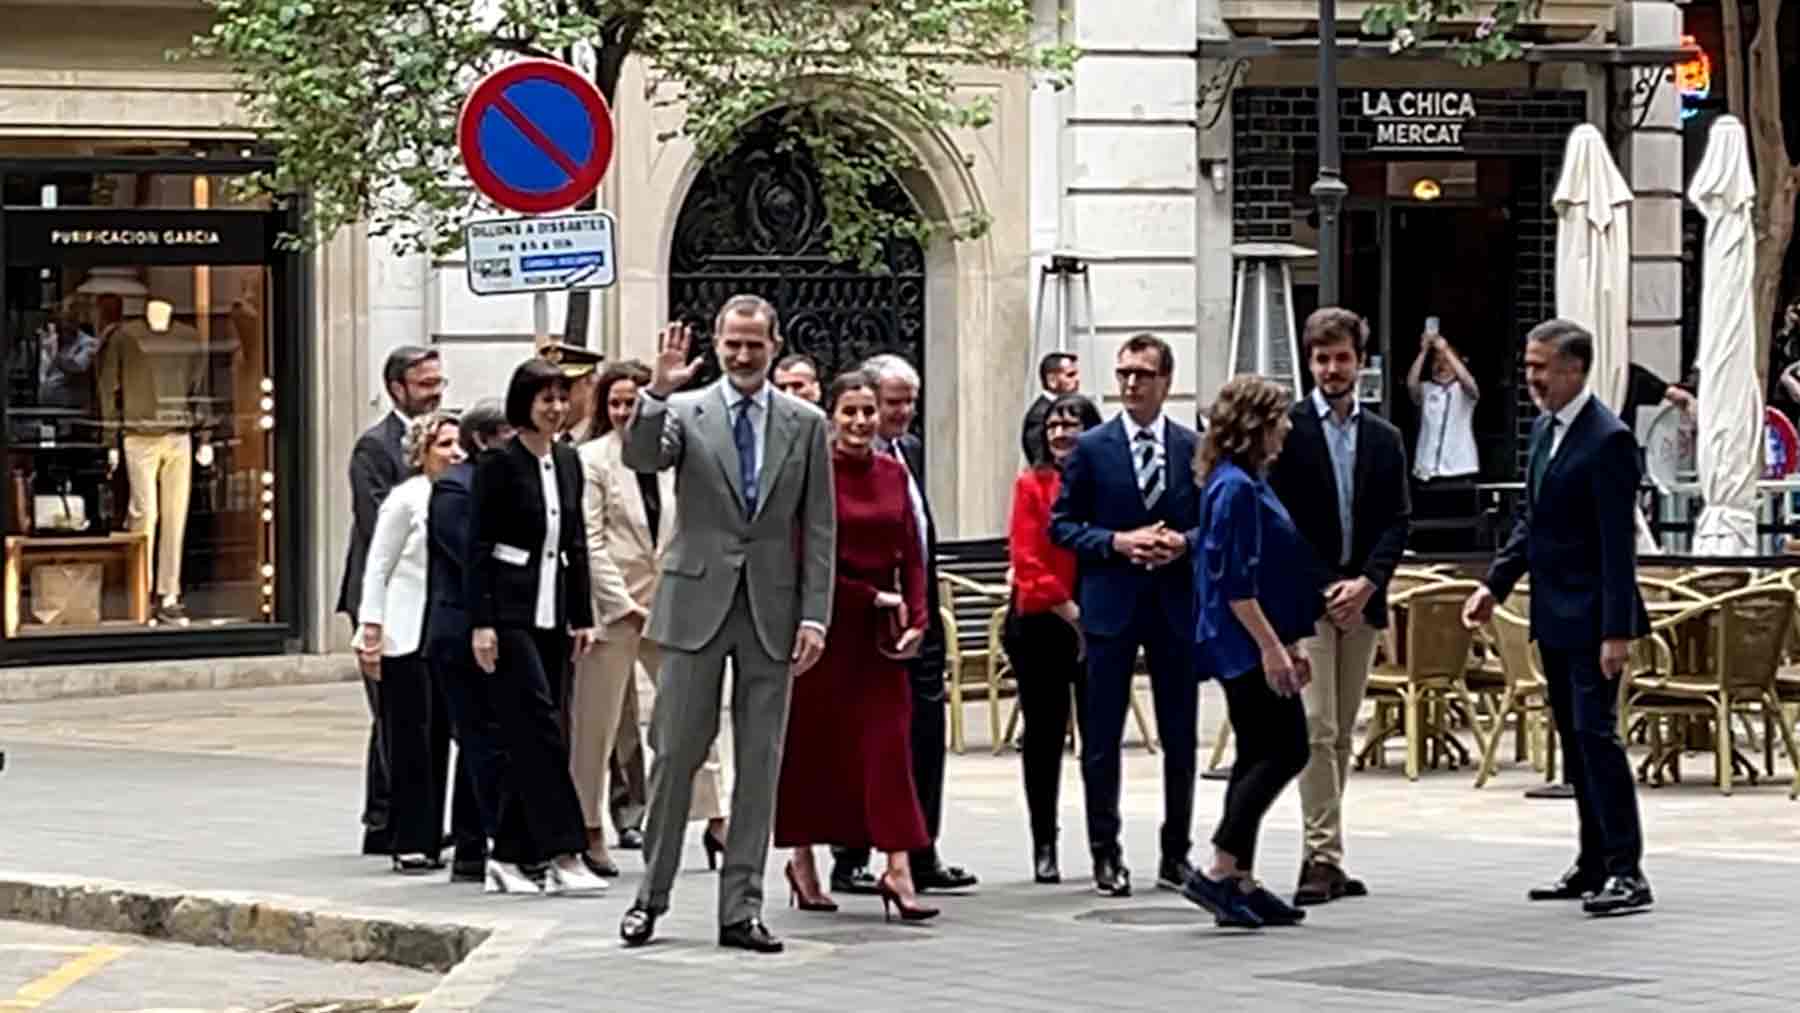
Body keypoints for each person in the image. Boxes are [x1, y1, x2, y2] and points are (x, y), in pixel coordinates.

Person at [618, 296, 835, 954]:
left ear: (774, 345)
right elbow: (643, 457)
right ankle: (648, 897)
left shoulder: (806, 421)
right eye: (732, 343)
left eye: (755, 345)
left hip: (771, 611)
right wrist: (656, 387)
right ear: (716, 342)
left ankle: (741, 908)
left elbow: (820, 527)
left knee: (760, 765)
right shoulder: (686, 411)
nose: (743, 356)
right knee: (676, 756)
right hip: (695, 605)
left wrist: (815, 615)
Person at [1462, 318, 1652, 918]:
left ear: (1575, 369)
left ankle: (1628, 869)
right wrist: (1494, 584)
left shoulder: (1608, 439)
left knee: (1598, 739)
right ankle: (1592, 859)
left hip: (1596, 619)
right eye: (1528, 366)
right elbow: (1531, 521)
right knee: (1573, 742)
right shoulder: (1546, 431)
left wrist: (1616, 630)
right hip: (1553, 613)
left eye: (1541, 367)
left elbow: (1616, 543)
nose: (1531, 378)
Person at [778, 370, 938, 923]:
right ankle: (802, 861)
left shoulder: (895, 473)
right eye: (849, 411)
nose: (860, 422)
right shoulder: (812, 473)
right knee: (813, 749)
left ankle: (899, 867)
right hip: (825, 628)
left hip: (880, 638)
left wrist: (917, 616)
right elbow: (802, 558)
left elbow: (912, 552)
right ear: (831, 416)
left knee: (891, 748)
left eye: (868, 411)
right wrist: (869, 597)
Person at [1050, 333, 1202, 898]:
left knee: (1181, 734)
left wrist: (1183, 543)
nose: (1132, 385)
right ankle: (1105, 850)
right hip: (1111, 604)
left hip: (1173, 605)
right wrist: (1117, 541)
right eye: (1123, 375)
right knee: (1102, 736)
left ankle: (1176, 851)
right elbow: (1061, 525)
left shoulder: (1193, 447)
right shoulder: (1092, 447)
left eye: (1143, 374)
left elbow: (1215, 523)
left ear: (1167, 381)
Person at [1267, 308, 1411, 906]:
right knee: (1316, 725)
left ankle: (1326, 852)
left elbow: (1396, 518)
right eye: (1322, 359)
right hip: (1311, 603)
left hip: (1365, 603)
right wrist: (1331, 584)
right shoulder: (1290, 432)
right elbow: (1282, 522)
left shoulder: (1385, 437)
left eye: (1342, 358)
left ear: (1360, 362)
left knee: (1342, 731)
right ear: (1310, 362)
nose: (1332, 369)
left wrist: (1368, 584)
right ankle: (1320, 856)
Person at [568, 360, 728, 878]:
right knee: (597, 723)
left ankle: (717, 819)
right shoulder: (590, 459)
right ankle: (590, 827)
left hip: (674, 602)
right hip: (613, 608)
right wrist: (622, 604)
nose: (623, 413)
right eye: (614, 403)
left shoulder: (674, 452)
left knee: (691, 710)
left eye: (632, 402)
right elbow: (588, 540)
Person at [831, 354, 978, 896]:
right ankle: (850, 855)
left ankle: (921, 848)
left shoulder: (908, 452)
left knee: (924, 731)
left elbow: (917, 536)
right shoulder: (843, 462)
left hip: (916, 612)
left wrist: (920, 610)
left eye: (908, 402)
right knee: (865, 737)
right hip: (863, 614)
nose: (901, 413)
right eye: (891, 403)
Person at [1182, 375, 1320, 929]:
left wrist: (1288, 639)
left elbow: (1271, 573)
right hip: (1242, 642)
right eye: (1279, 418)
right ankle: (1220, 866)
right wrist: (1272, 649)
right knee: (1285, 748)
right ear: (1256, 425)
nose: (1287, 427)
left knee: (1261, 749)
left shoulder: (1246, 481)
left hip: (1256, 635)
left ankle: (1237, 875)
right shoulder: (1235, 487)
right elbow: (1236, 581)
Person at [467, 358, 606, 896]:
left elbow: (575, 541)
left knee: (538, 736)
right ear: (522, 403)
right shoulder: (499, 464)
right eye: (544, 398)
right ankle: (563, 849)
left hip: (554, 613)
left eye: (560, 398)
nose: (554, 408)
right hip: (508, 614)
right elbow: (478, 547)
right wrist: (482, 623)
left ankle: (508, 854)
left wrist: (583, 615)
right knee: (540, 732)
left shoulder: (568, 462)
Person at [339, 345, 446, 855]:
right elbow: (376, 523)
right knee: (391, 711)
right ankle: (383, 821)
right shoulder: (373, 447)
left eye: (438, 382)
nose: (436, 392)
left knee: (420, 712)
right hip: (382, 596)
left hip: (429, 595)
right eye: (426, 384)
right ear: (397, 389)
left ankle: (408, 816)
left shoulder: (449, 439)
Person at [355, 412, 464, 874]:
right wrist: (371, 625)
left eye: (458, 444)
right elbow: (378, 565)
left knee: (440, 736)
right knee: (409, 740)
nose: (455, 453)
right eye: (444, 445)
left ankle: (433, 831)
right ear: (422, 453)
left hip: (443, 631)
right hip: (404, 630)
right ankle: (407, 839)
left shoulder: (461, 494)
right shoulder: (405, 499)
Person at [1004, 391, 1103, 884]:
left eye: (1073, 424)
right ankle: (1045, 842)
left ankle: (1103, 842)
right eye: (1054, 425)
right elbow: (1026, 561)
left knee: (1099, 738)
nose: (1062, 433)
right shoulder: (1031, 485)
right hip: (1042, 622)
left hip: (1099, 623)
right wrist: (1070, 611)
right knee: (1044, 739)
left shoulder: (1104, 483)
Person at [425, 398, 512, 884]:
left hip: (491, 627)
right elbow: (472, 557)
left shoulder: (491, 483)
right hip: (460, 632)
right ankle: (479, 843)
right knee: (480, 739)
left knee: (484, 739)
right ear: (484, 439)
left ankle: (472, 846)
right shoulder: (455, 491)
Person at [1407, 330, 1479, 483]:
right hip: (1427, 470)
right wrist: (1424, 351)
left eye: (1446, 361)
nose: (1441, 366)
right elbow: (1411, 384)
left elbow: (1469, 382)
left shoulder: (1464, 390)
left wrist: (1446, 350)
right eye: (1437, 361)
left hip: (1459, 468)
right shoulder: (1426, 388)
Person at [1021, 351, 1081, 463]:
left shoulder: (1069, 407)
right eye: (1070, 375)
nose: (1077, 380)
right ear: (1052, 381)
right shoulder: (1039, 416)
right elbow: (1040, 461)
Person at [543, 341, 606, 444]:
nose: (557, 401)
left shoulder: (602, 439)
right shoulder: (548, 441)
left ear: (592, 385)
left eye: (565, 387)